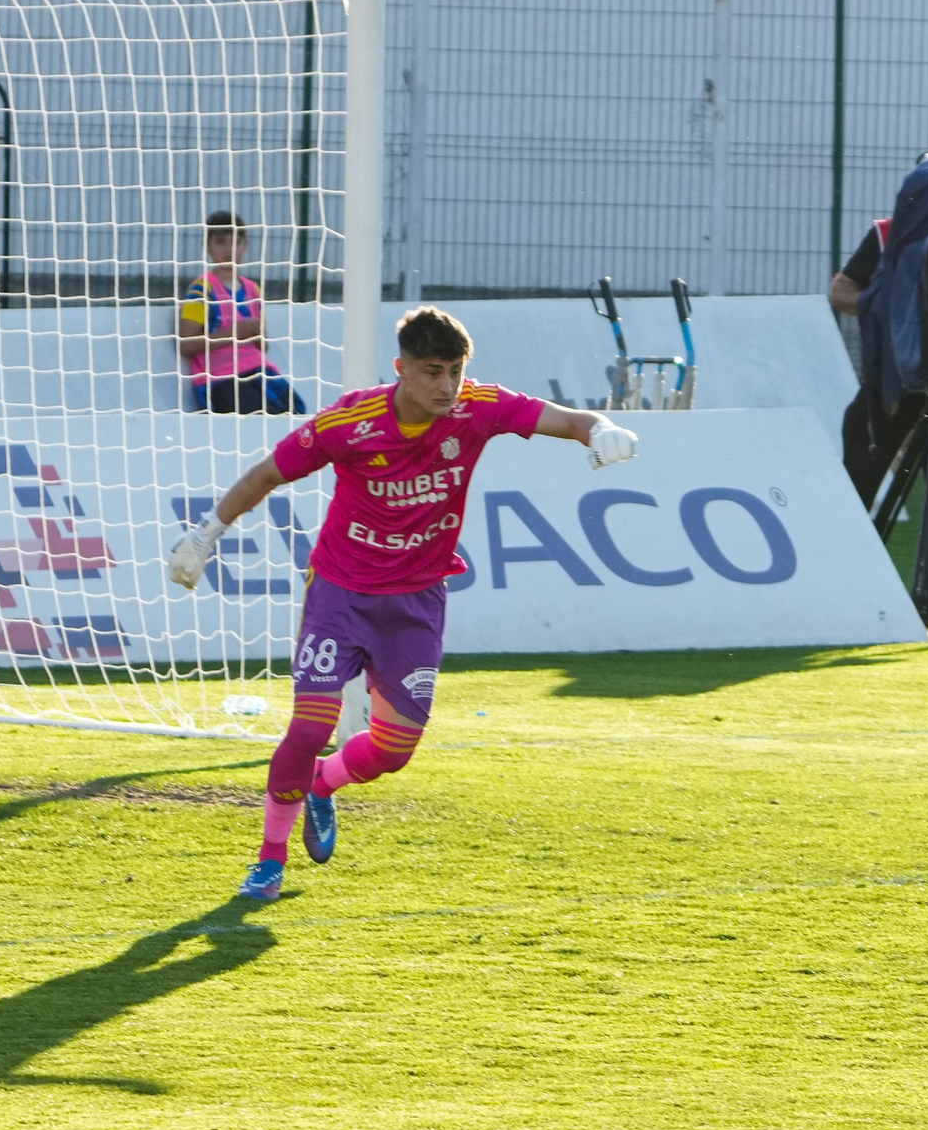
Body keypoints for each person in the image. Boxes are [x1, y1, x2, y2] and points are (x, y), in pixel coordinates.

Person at [168, 306, 639, 901]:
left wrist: (598, 430)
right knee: (311, 725)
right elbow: (267, 474)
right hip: (341, 593)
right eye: (432, 371)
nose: (447, 386)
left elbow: (569, 419)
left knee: (394, 751)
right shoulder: (351, 421)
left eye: (456, 372)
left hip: (416, 601)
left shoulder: (479, 407)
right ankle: (269, 859)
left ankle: (321, 787)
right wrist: (205, 534)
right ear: (402, 369)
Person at [829, 213, 925, 507]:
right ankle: (854, 543)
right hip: (894, 375)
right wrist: (886, 309)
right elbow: (841, 292)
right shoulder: (888, 233)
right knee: (861, 448)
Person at [179, 210, 302, 414]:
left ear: (245, 245)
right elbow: (186, 344)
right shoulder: (201, 290)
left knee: (296, 413)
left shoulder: (253, 289)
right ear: (207, 247)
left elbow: (262, 345)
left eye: (236, 242)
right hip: (221, 379)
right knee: (259, 418)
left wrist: (257, 335)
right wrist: (234, 334)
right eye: (220, 242)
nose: (229, 249)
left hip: (258, 372)